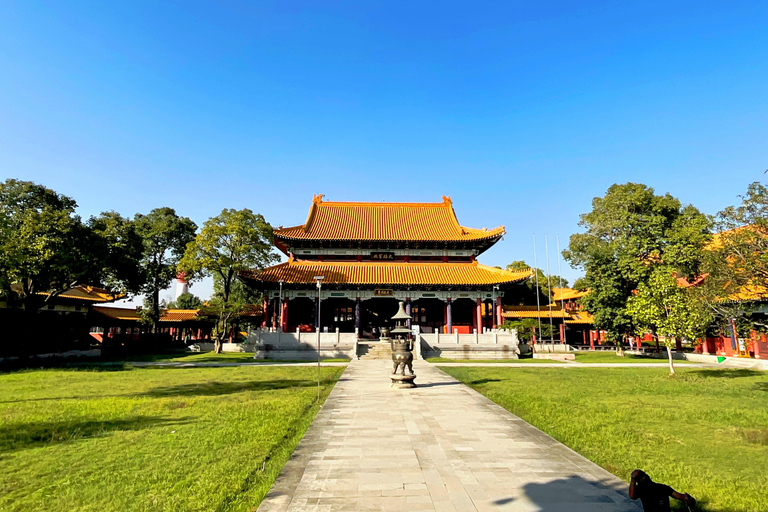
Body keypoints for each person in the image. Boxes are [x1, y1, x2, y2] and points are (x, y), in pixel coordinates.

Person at [629, 470, 696, 511]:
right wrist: (684, 497)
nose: (645, 477)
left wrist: (633, 480)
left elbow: (632, 496)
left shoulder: (661, 488)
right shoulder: (661, 488)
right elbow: (632, 496)